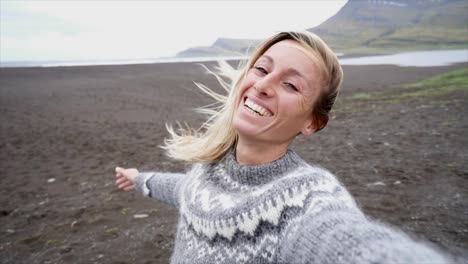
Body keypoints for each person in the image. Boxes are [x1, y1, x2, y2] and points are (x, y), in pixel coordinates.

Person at [114, 31, 455, 263]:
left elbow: (346, 241)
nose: (262, 85)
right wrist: (140, 178)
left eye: (291, 84)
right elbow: (184, 190)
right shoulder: (208, 171)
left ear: (312, 122)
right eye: (262, 69)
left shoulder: (304, 201)